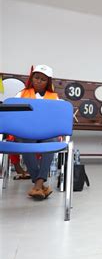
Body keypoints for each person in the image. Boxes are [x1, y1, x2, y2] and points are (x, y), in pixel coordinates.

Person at [15, 65, 59, 200]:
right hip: (26, 131)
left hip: (46, 133)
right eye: (36, 77)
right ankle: (40, 185)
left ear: (48, 82)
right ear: (32, 78)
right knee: (26, 142)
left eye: (43, 79)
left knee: (52, 143)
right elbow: (13, 114)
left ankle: (38, 185)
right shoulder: (21, 94)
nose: (39, 81)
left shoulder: (55, 97)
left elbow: (57, 117)